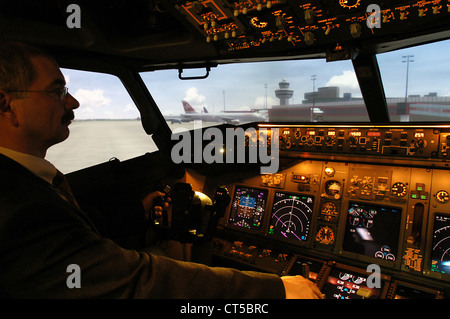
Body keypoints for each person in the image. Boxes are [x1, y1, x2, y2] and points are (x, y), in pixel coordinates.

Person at [0, 41, 324, 299]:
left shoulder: (27, 178)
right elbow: (137, 283)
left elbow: (73, 232)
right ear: (6, 104)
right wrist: (277, 288)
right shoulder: (17, 205)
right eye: (57, 91)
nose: (73, 103)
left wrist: (136, 212)